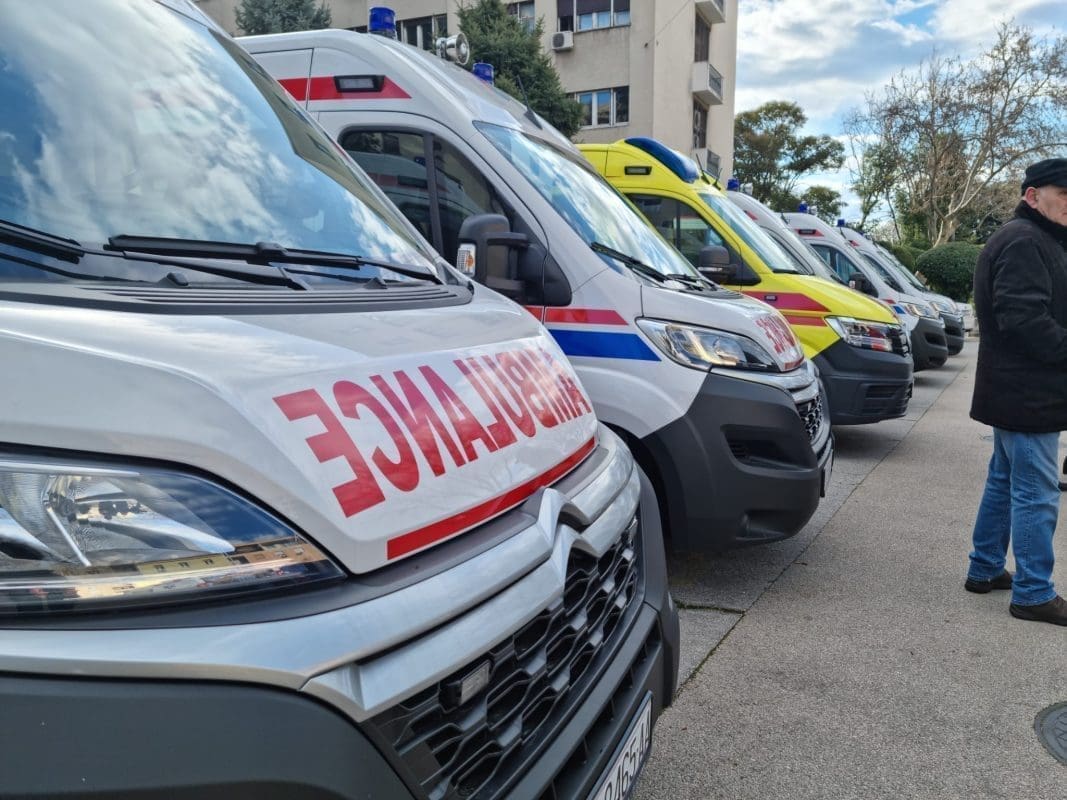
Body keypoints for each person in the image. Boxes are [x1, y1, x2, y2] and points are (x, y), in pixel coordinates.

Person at [967, 157, 1067, 626]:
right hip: (1028, 394)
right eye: (1064, 195)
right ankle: (1032, 592)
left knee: (1004, 480)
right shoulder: (1026, 240)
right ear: (1033, 196)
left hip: (1015, 389)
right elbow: (1024, 321)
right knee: (1036, 493)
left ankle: (985, 567)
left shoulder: (1031, 237)